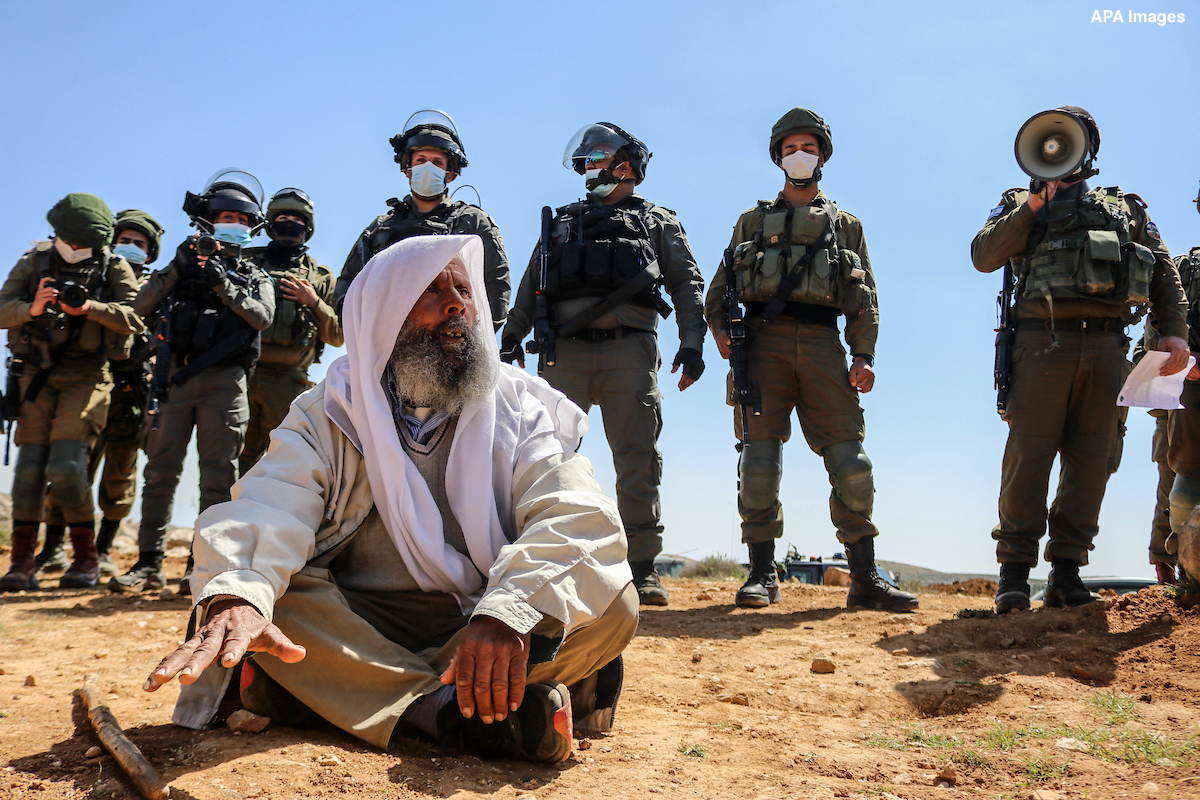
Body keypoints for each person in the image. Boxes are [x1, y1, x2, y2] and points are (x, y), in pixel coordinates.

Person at [145, 235, 636, 764]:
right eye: (432, 290)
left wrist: (508, 613)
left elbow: (575, 513)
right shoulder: (329, 411)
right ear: (385, 314)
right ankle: (453, 710)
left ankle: (332, 693)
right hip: (359, 620)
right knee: (270, 599)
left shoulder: (520, 409)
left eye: (464, 290)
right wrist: (239, 594)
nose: (457, 305)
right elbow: (269, 503)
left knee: (614, 604)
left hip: (481, 619)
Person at [972, 107, 1189, 612]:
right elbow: (984, 257)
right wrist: (1031, 207)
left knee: (1093, 461)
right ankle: (1014, 574)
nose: (1057, 149)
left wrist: (1175, 334)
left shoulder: (1125, 210)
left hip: (1108, 349)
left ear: (1088, 150)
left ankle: (1066, 572)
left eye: (1068, 140)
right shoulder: (1017, 203)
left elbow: (1164, 276)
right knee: (1028, 458)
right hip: (1040, 345)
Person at [704, 108, 917, 612]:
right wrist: (719, 332)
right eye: (790, 147)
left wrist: (864, 354)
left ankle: (864, 576)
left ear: (822, 155)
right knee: (758, 463)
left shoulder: (846, 225)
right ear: (778, 156)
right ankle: (761, 574)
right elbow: (719, 290)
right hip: (762, 347)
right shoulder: (751, 223)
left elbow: (865, 299)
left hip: (824, 347)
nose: (799, 155)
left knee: (851, 461)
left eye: (809, 146)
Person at [499, 122, 707, 606]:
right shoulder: (563, 222)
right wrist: (509, 339)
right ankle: (546, 558)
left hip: (627, 354)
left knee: (636, 458)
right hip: (562, 355)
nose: (590, 164)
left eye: (600, 156)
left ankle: (641, 567)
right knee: (545, 460)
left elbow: (686, 283)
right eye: (587, 157)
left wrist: (692, 343)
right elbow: (534, 284)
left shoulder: (657, 221)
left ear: (627, 165)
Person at [110, 170, 275, 595]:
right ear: (205, 221)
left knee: (219, 476)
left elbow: (263, 317)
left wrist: (224, 285)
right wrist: (176, 268)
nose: (230, 225)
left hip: (224, 384)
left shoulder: (254, 275)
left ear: (252, 225)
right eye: (222, 217)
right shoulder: (180, 268)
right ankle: (147, 564)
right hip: (174, 381)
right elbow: (139, 307)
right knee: (160, 472)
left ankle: (204, 566)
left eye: (239, 219)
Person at [0, 193, 144, 591]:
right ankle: (21, 564)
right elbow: (2, 307)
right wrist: (31, 308)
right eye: (70, 242)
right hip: (35, 376)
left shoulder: (113, 266)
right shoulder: (35, 262)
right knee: (28, 471)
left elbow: (134, 316)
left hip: (88, 376)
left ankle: (85, 559)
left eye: (84, 245)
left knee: (65, 467)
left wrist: (91, 309)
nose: (75, 250)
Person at [38, 209, 164, 577]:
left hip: (131, 396)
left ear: (150, 252)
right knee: (69, 470)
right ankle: (52, 548)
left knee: (119, 477)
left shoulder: (157, 289)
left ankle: (104, 549)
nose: (129, 248)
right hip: (89, 387)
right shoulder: (94, 281)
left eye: (138, 244)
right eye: (123, 241)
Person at [335, 109, 509, 329]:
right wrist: (359, 327)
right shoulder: (380, 228)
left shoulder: (473, 223)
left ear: (451, 173)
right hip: (388, 347)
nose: (428, 167)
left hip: (452, 342)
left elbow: (497, 285)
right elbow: (347, 284)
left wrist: (474, 339)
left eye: (437, 162)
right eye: (421, 160)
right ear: (407, 169)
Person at [239, 188, 342, 473]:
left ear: (307, 228)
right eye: (282, 217)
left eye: (296, 219)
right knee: (232, 461)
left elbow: (337, 335)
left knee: (284, 464)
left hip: (289, 383)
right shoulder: (246, 265)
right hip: (242, 374)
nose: (289, 223)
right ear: (270, 224)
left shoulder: (319, 277)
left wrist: (313, 302)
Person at [1162, 182, 1200, 582]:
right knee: (1184, 488)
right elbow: (1160, 329)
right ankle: (1188, 578)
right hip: (1191, 393)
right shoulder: (1185, 268)